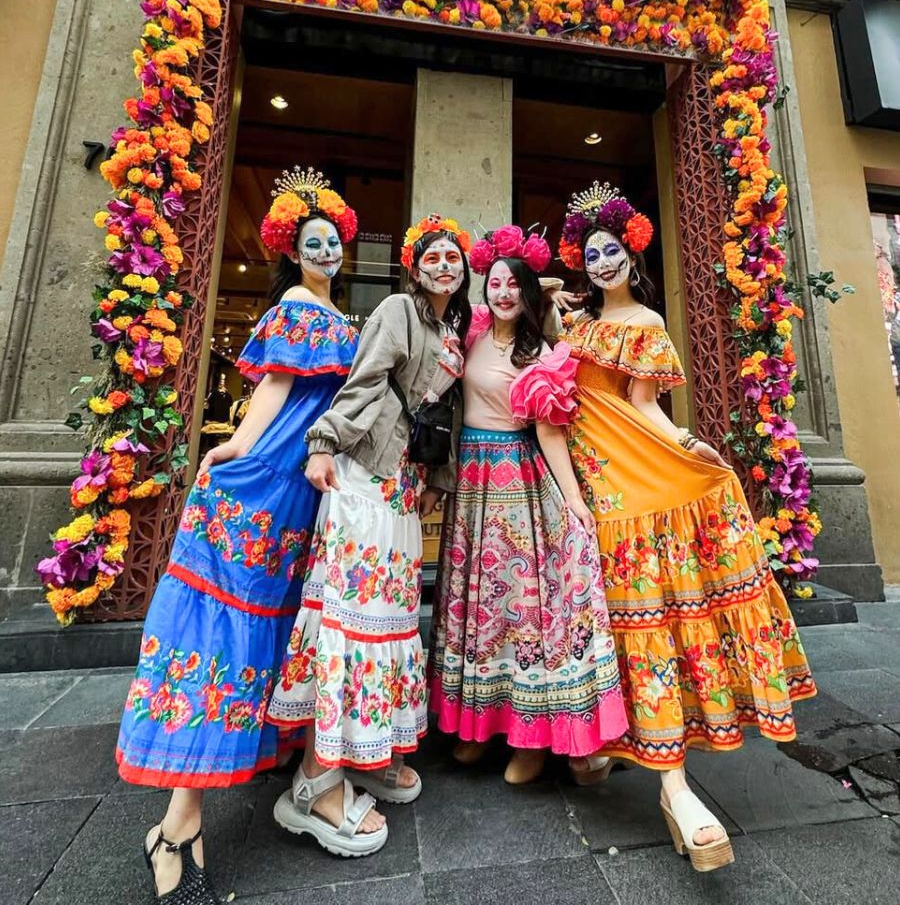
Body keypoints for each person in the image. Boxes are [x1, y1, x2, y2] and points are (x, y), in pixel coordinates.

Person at [556, 181, 816, 873]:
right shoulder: (577, 325)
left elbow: (643, 404)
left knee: (644, 618)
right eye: (592, 254)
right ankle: (602, 742)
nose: (603, 262)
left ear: (631, 253)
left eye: (612, 251)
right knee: (604, 616)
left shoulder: (644, 321)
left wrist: (682, 441)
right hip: (586, 480)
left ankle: (673, 781)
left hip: (630, 477)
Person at [116, 168, 359, 903]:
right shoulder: (295, 304)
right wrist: (238, 448)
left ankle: (210, 805)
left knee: (265, 631)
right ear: (294, 251)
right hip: (273, 476)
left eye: (333, 241)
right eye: (312, 241)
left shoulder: (338, 316)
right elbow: (276, 390)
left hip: (306, 488)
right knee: (229, 635)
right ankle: (179, 821)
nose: (325, 250)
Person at [267, 214, 472, 857]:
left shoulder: (453, 330)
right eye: (432, 256)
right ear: (414, 267)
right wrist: (326, 443)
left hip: (405, 484)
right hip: (365, 475)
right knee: (349, 621)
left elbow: (447, 412)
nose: (444, 265)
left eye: (453, 257)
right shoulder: (395, 310)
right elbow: (367, 379)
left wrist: (436, 475)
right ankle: (313, 782)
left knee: (389, 617)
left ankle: (365, 751)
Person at [429, 225, 627, 785]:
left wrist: (571, 499)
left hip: (518, 478)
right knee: (473, 605)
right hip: (470, 479)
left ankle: (532, 738)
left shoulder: (539, 351)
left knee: (519, 606)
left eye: (514, 285)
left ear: (527, 293)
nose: (504, 292)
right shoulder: (468, 331)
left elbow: (549, 431)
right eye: (495, 282)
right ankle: (476, 727)